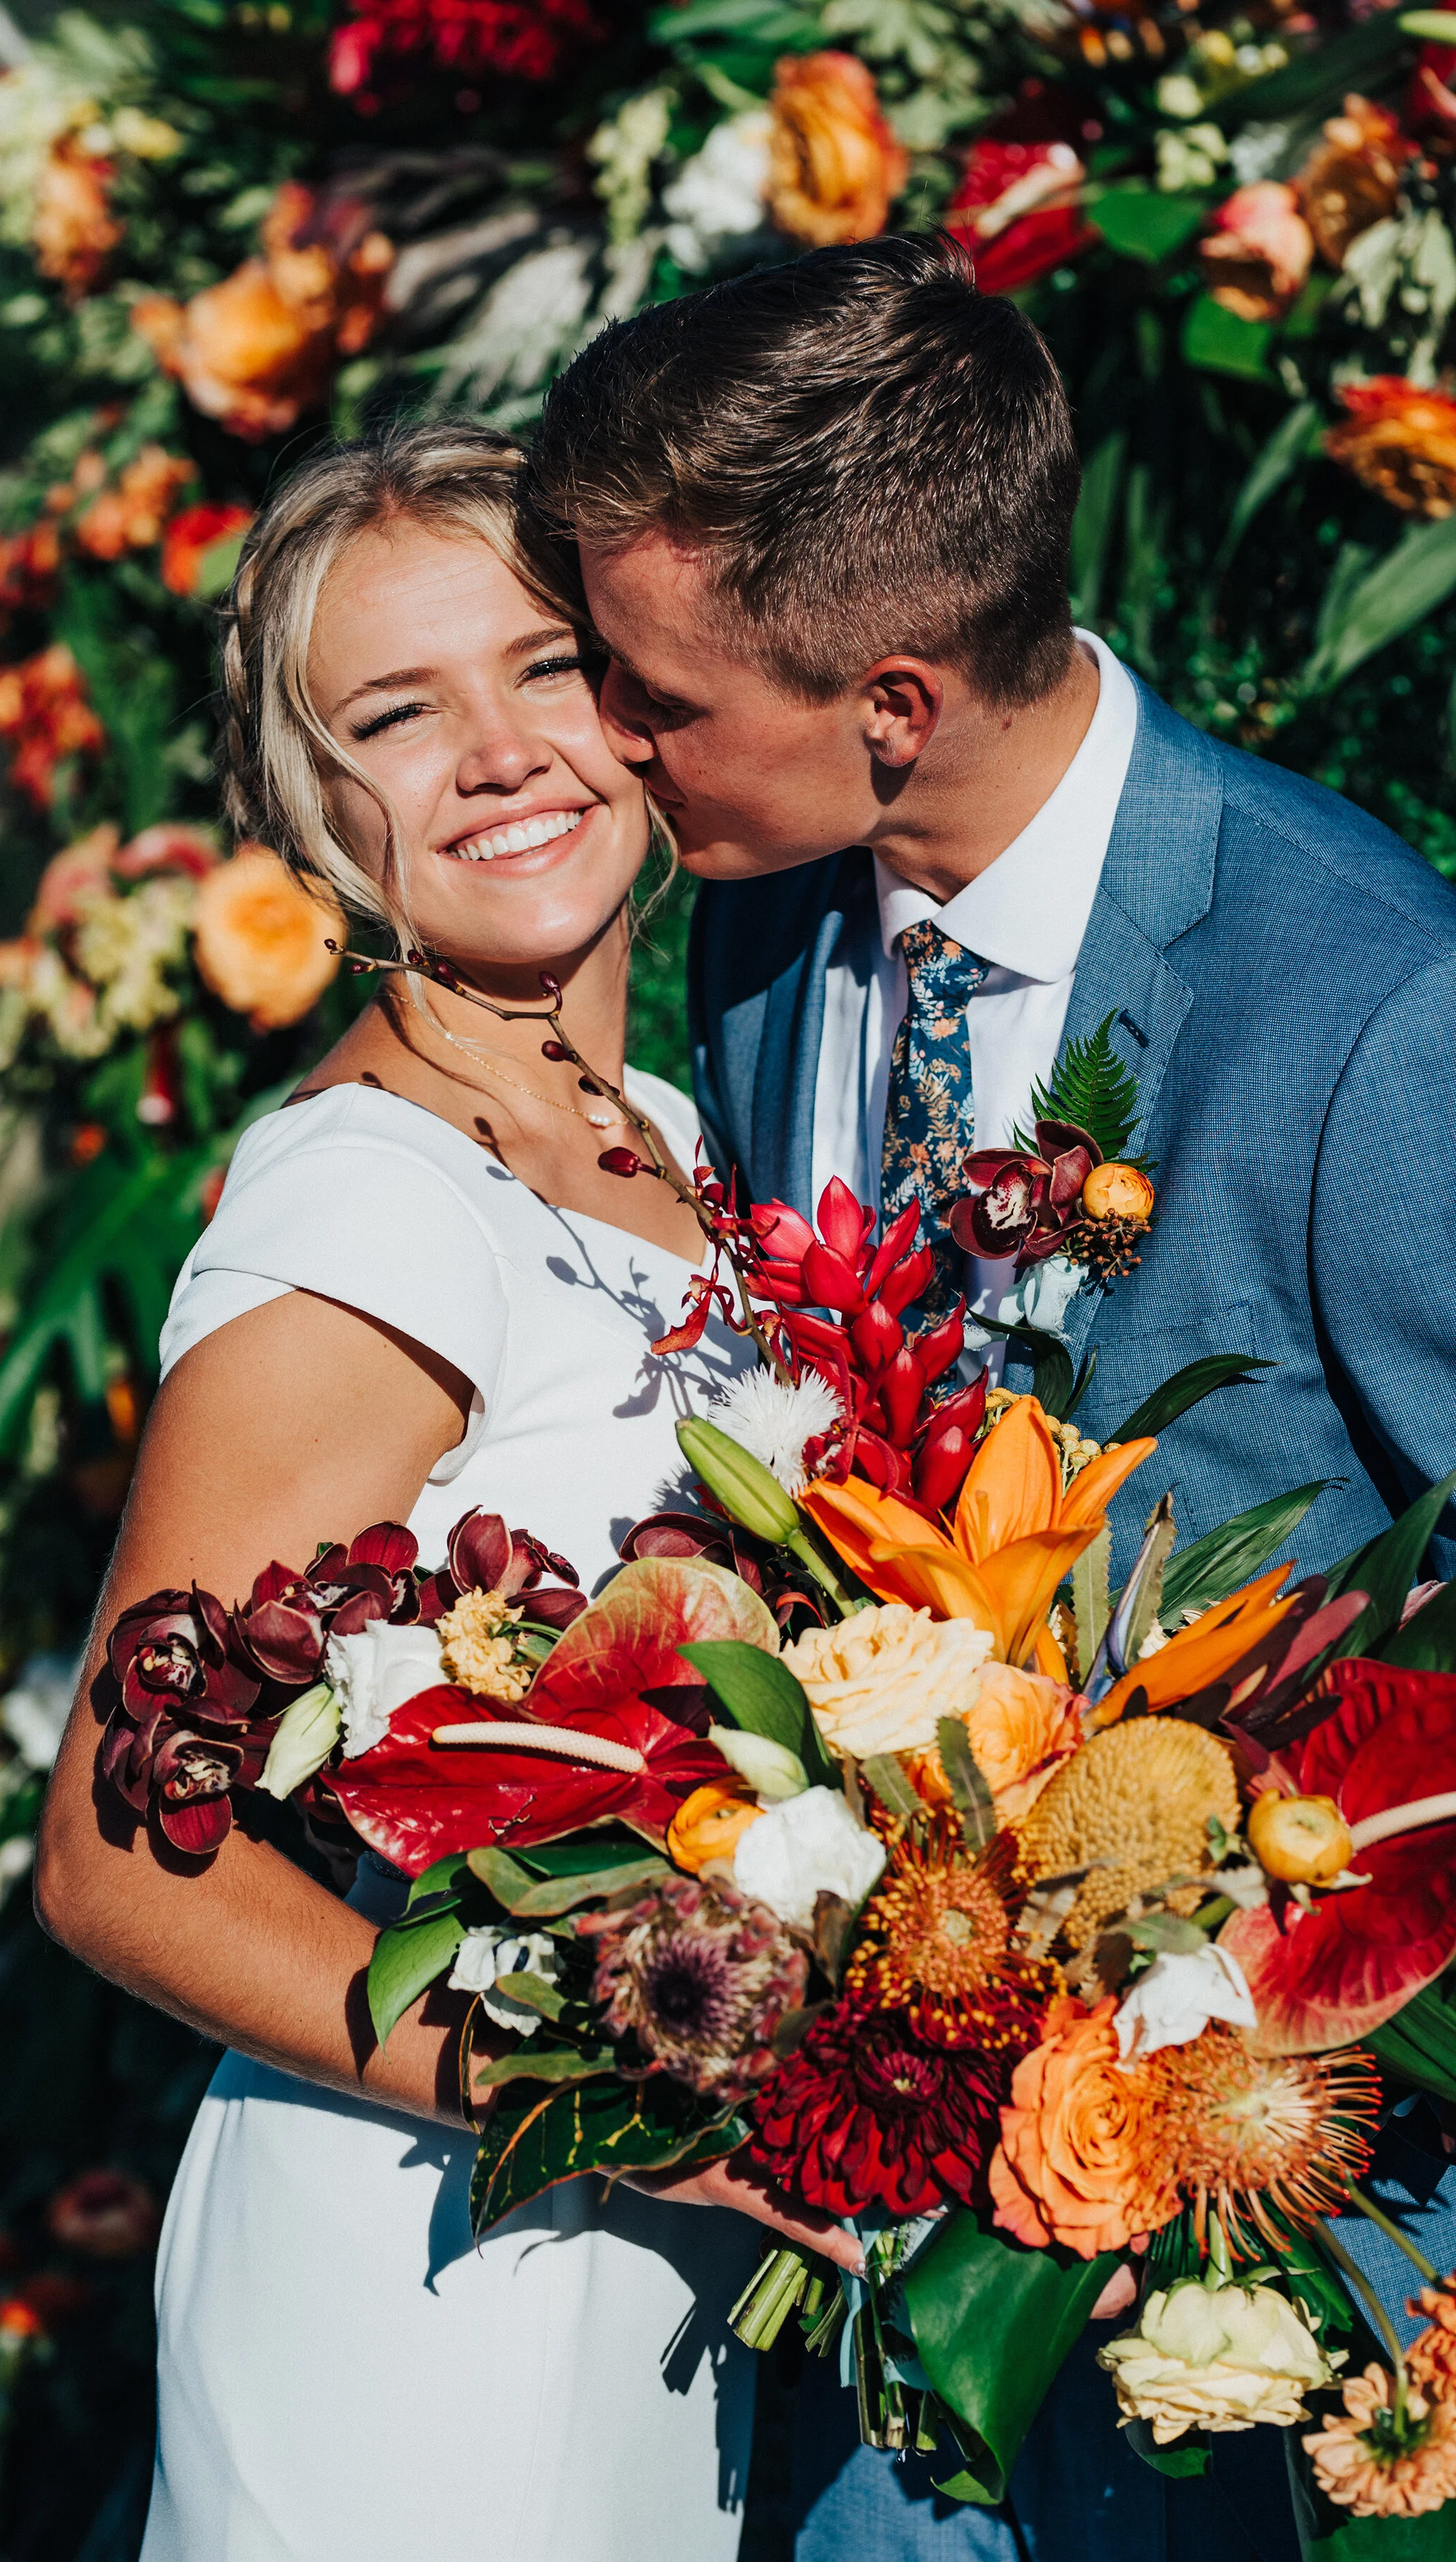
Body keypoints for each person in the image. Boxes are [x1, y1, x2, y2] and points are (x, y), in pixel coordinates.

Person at [530, 233, 1456, 2558]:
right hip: (854, 2196)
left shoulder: (1367, 998)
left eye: (655, 702)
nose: (606, 755)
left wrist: (1254, 1998)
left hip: (1262, 2219)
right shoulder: (764, 914)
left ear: (899, 699)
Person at [33, 424, 862, 2562]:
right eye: (399, 718)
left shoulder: (655, 1123)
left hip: (649, 2278)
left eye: (545, 669)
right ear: (315, 818)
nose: (503, 757)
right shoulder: (370, 1209)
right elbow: (125, 1866)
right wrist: (606, 2115)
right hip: (430, 2275)